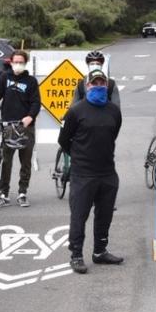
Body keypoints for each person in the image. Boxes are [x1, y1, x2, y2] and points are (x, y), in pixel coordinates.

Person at [60, 69, 124, 274]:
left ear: (107, 86)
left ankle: (100, 251)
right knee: (79, 216)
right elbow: (64, 140)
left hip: (107, 173)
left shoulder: (114, 111)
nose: (98, 86)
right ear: (87, 86)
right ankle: (76, 255)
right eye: (94, 83)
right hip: (82, 174)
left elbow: (113, 134)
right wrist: (80, 157)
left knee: (104, 215)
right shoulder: (76, 111)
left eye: (101, 83)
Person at [0, 50, 40, 207]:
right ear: (11, 62)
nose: (18, 64)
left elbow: (36, 103)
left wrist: (30, 117)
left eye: (21, 62)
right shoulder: (5, 78)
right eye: (16, 61)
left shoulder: (31, 81)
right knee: (6, 161)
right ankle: (4, 192)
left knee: (25, 161)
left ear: (25, 63)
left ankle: (22, 192)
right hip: (7, 126)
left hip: (25, 126)